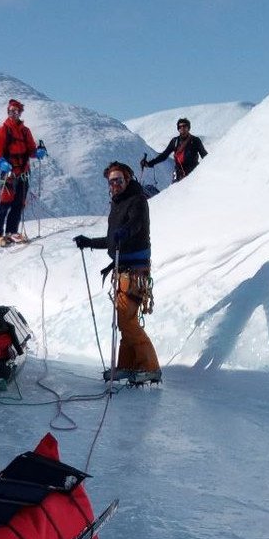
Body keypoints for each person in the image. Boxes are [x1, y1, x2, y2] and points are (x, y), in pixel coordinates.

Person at [73, 162, 161, 384]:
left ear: (128, 179)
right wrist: (89, 242)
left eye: (119, 180)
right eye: (112, 181)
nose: (115, 185)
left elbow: (136, 225)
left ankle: (150, 367)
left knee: (126, 319)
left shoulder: (138, 200)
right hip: (123, 270)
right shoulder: (117, 204)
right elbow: (113, 239)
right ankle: (128, 365)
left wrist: (124, 232)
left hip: (135, 271)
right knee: (124, 319)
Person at [0, 98, 46, 244]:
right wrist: (1, 162)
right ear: (8, 112)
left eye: (16, 111)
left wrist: (37, 153)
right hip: (8, 173)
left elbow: (31, 150)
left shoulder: (25, 132)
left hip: (23, 173)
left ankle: (12, 231)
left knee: (19, 203)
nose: (14, 113)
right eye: (11, 111)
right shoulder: (2, 131)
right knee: (4, 203)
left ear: (20, 113)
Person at [141, 117, 207, 183]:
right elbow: (164, 155)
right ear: (178, 129)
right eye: (180, 126)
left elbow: (204, 155)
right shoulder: (175, 141)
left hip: (193, 173)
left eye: (184, 126)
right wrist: (149, 164)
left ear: (188, 128)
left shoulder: (195, 140)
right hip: (179, 173)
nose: (182, 128)